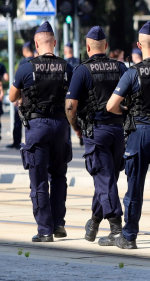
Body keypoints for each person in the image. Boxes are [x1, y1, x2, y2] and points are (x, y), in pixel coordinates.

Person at [105, 22, 150, 249]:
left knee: (135, 187)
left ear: (139, 45)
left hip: (139, 133)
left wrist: (127, 112)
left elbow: (111, 105)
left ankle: (129, 236)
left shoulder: (133, 72)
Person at [9, 22, 73, 242]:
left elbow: (12, 96)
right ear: (54, 42)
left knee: (38, 180)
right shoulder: (67, 68)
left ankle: (45, 230)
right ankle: (58, 224)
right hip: (61, 127)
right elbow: (73, 99)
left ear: (36, 44)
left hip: (37, 128)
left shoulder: (26, 68)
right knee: (59, 176)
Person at [65, 26, 128, 244]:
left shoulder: (82, 70)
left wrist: (76, 127)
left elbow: (70, 106)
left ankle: (116, 228)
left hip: (96, 131)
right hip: (118, 131)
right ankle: (93, 223)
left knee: (105, 179)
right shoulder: (120, 67)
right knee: (107, 179)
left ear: (87, 47)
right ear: (106, 46)